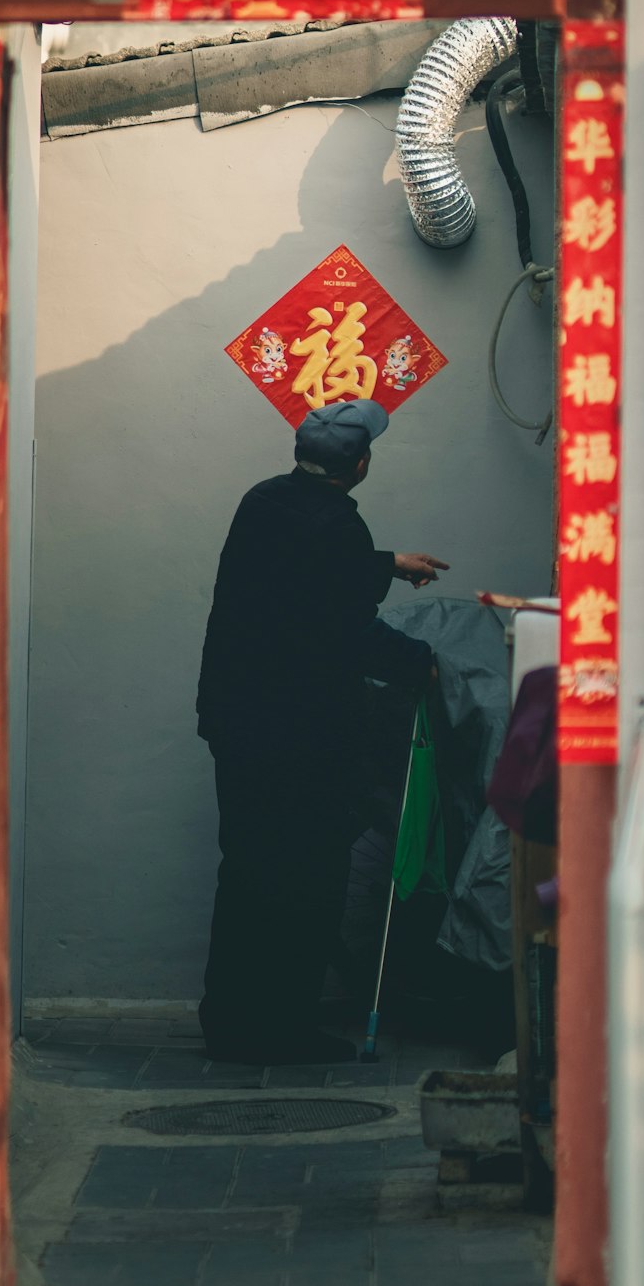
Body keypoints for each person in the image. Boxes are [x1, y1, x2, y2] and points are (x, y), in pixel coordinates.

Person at [196, 400, 449, 1065]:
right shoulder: (338, 528)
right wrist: (420, 663)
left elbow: (298, 580)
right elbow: (346, 629)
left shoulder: (263, 502)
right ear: (360, 464)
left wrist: (387, 560)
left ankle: (229, 1023)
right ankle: (284, 1029)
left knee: (248, 869)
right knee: (309, 875)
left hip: (238, 723)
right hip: (301, 737)